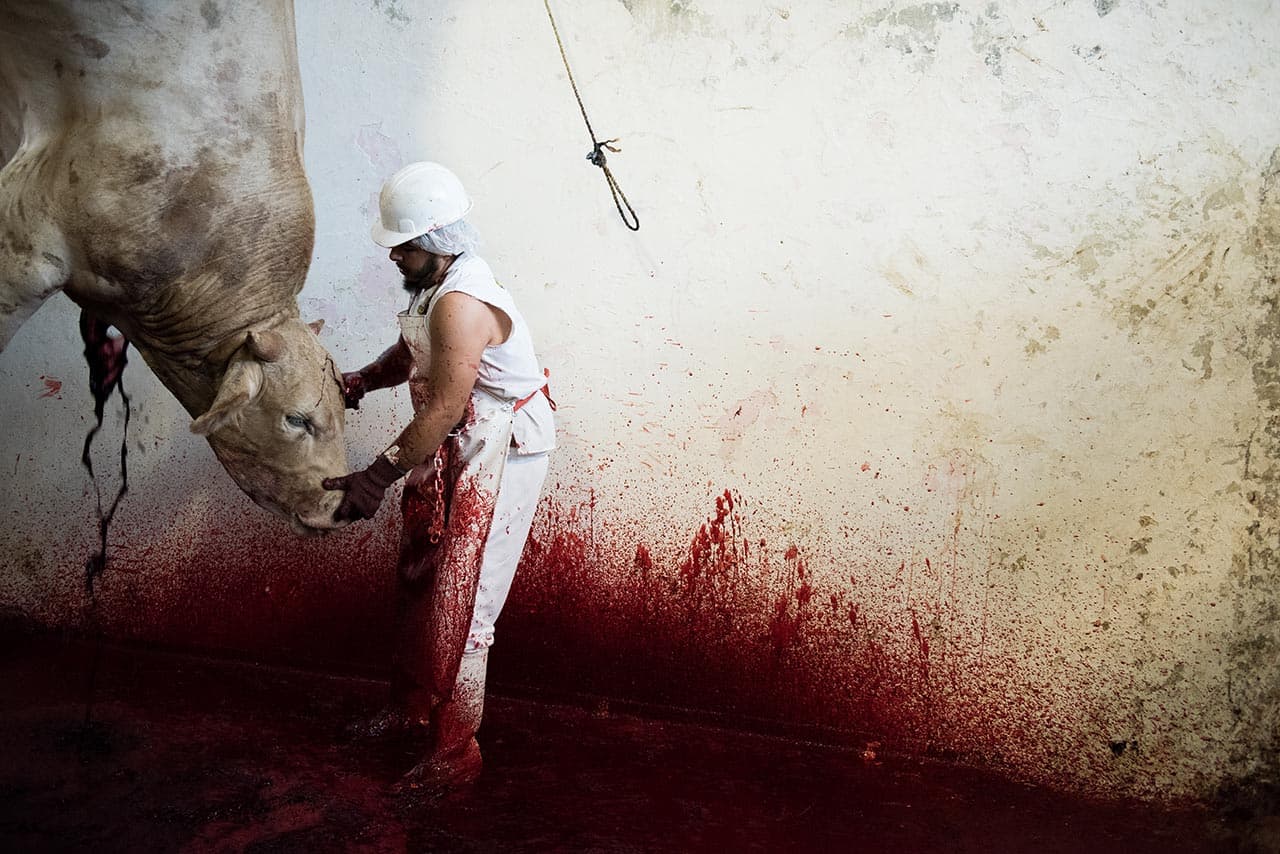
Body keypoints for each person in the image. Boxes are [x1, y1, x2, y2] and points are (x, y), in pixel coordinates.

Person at [324, 161, 555, 792]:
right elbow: (414, 352)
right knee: (421, 574)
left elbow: (451, 404)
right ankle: (409, 712)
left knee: (467, 599)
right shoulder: (434, 289)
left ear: (436, 240)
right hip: (453, 441)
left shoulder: (460, 301)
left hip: (498, 447)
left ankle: (455, 756)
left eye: (404, 245)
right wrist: (367, 379)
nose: (394, 254)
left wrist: (377, 474)